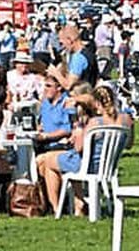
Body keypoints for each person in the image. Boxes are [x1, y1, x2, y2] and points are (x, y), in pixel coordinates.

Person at [36, 83, 122, 217]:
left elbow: (78, 148)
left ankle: (57, 208)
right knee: (59, 159)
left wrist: (79, 132)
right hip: (108, 166)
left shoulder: (94, 123)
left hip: (88, 166)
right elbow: (128, 144)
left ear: (97, 104)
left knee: (48, 160)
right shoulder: (126, 120)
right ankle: (77, 203)